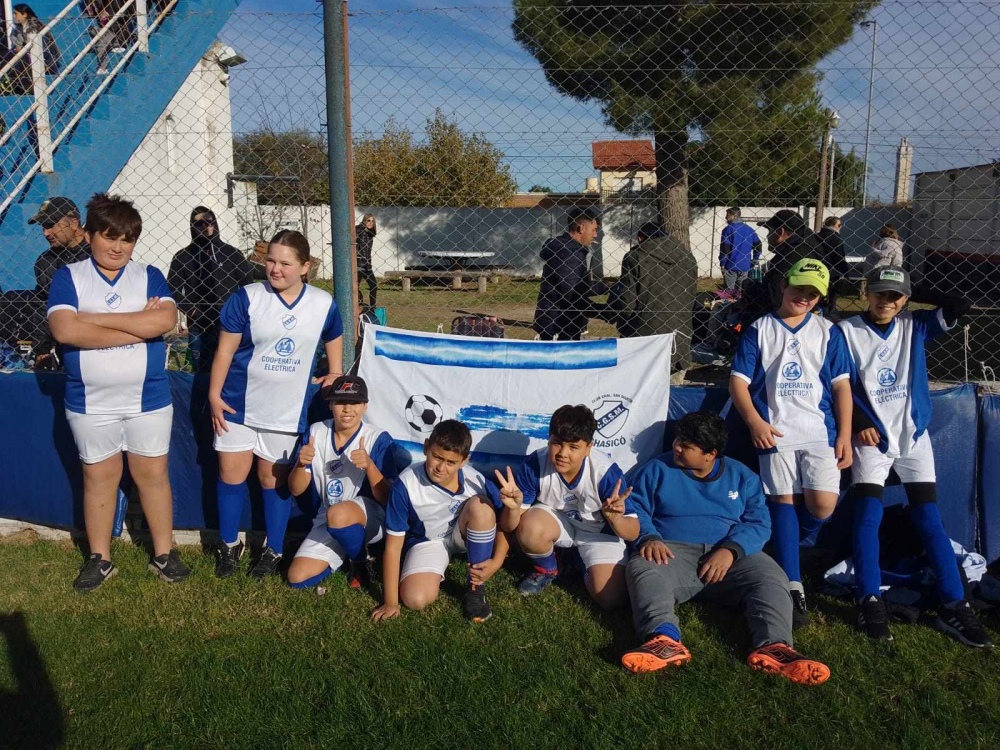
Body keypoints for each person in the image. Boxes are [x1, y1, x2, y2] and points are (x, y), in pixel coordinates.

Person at [838, 266, 992, 647]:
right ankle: (869, 599)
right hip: (871, 437)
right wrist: (858, 420)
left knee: (929, 519)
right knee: (868, 515)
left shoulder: (915, 324)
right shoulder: (845, 331)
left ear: (905, 299)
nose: (886, 301)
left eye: (895, 296)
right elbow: (837, 384)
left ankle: (956, 605)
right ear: (866, 292)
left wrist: (910, 286)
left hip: (914, 435)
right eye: (879, 293)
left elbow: (960, 303)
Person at [620, 412, 830, 685]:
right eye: (677, 441)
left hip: (732, 558)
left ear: (710, 454)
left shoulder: (743, 477)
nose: (676, 448)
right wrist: (649, 537)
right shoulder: (656, 469)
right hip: (673, 552)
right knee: (642, 567)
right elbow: (634, 507)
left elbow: (758, 523)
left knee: (770, 576)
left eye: (687, 446)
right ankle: (663, 640)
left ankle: (775, 647)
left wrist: (731, 550)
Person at [46, 193, 189, 591]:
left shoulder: (150, 275)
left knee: (153, 475)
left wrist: (95, 320)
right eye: (109, 237)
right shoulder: (69, 277)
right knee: (99, 478)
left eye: (126, 239)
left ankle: (164, 553)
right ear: (89, 235)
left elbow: (165, 321)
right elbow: (65, 331)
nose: (117, 247)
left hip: (148, 398)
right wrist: (136, 322)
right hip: (90, 401)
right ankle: (100, 558)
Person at [209, 229, 344, 580]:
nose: (275, 269)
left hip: (285, 410)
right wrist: (214, 394)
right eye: (270, 260)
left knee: (272, 479)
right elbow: (224, 350)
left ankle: (274, 548)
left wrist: (335, 371)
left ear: (305, 266)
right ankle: (228, 545)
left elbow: (333, 333)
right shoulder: (247, 297)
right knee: (231, 472)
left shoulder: (322, 302)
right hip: (237, 403)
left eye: (285, 263)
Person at [729, 258, 853, 628]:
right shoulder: (760, 329)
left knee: (822, 507)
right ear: (784, 285)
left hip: (820, 431)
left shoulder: (829, 331)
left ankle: (793, 548)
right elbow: (738, 381)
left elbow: (841, 385)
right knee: (782, 499)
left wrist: (844, 433)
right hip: (775, 431)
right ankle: (792, 582)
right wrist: (754, 422)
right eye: (800, 288)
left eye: (814, 293)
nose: (805, 297)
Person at [494, 404, 639, 609]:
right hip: (556, 521)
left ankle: (576, 560)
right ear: (549, 438)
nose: (562, 453)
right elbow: (510, 527)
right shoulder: (535, 463)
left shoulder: (605, 473)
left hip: (598, 531)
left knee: (611, 599)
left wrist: (616, 519)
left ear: (589, 447)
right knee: (530, 527)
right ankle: (548, 568)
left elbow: (632, 533)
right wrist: (513, 508)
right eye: (557, 443)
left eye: (573, 447)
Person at [372, 420, 509, 624]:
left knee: (482, 508)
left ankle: (475, 587)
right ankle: (434, 569)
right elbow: (393, 547)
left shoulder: (476, 479)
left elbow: (505, 525)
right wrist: (391, 602)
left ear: (464, 461)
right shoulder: (406, 484)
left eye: (451, 462)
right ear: (427, 447)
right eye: (437, 457)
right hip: (428, 542)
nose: (441, 467)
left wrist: (497, 562)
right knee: (415, 599)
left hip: (463, 535)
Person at [286, 375, 394, 590]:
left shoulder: (378, 438)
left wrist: (370, 466)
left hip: (371, 519)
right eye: (341, 402)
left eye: (354, 403)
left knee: (339, 514)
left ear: (365, 406)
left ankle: (360, 562)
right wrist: (300, 464)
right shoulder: (316, 432)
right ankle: (350, 548)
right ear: (331, 405)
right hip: (328, 517)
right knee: (297, 578)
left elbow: (389, 500)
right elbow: (295, 489)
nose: (347, 409)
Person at [167, 206, 254, 372]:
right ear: (192, 227)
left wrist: (236, 312)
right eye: (198, 223)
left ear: (215, 223)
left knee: (231, 371)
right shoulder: (182, 256)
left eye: (208, 221)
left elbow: (247, 286)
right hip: (199, 326)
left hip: (229, 326)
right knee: (202, 373)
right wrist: (191, 311)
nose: (204, 226)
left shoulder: (231, 253)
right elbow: (173, 288)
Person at [617, 221, 697, 377]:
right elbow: (691, 297)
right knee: (672, 394)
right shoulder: (688, 258)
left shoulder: (635, 256)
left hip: (643, 338)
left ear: (641, 238)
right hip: (679, 337)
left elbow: (627, 303)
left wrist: (623, 327)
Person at [28, 197, 91, 368]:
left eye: (51, 225)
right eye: (43, 227)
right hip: (68, 350)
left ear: (73, 222)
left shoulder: (100, 254)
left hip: (106, 343)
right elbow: (42, 306)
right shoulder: (45, 261)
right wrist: (42, 350)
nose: (45, 233)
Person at [533, 207, 608, 341]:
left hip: (559, 320)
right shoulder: (569, 253)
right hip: (558, 324)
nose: (595, 235)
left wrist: (607, 287)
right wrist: (605, 312)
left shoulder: (570, 250)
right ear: (582, 228)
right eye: (594, 230)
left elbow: (580, 286)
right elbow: (573, 296)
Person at [4, 5, 60, 94]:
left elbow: (44, 49)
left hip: (45, 60)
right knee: (8, 55)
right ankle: (6, 84)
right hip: (27, 59)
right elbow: (16, 45)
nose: (13, 16)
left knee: (18, 57)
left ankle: (30, 87)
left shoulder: (37, 27)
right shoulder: (17, 29)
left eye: (16, 13)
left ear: (25, 15)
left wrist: (23, 50)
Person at [719, 207, 762, 292]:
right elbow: (758, 244)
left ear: (734, 216)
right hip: (745, 265)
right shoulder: (750, 230)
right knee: (742, 292)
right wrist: (755, 258)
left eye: (728, 215)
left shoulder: (728, 229)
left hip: (730, 265)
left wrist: (723, 262)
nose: (726, 217)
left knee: (729, 292)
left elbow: (725, 247)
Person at [356, 213, 378, 309]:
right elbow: (356, 230)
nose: (370, 223)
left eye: (372, 221)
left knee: (373, 285)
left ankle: (372, 307)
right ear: (364, 221)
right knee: (355, 287)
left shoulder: (370, 234)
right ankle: (359, 303)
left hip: (367, 265)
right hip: (359, 264)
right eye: (368, 220)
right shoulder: (360, 230)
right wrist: (362, 226)